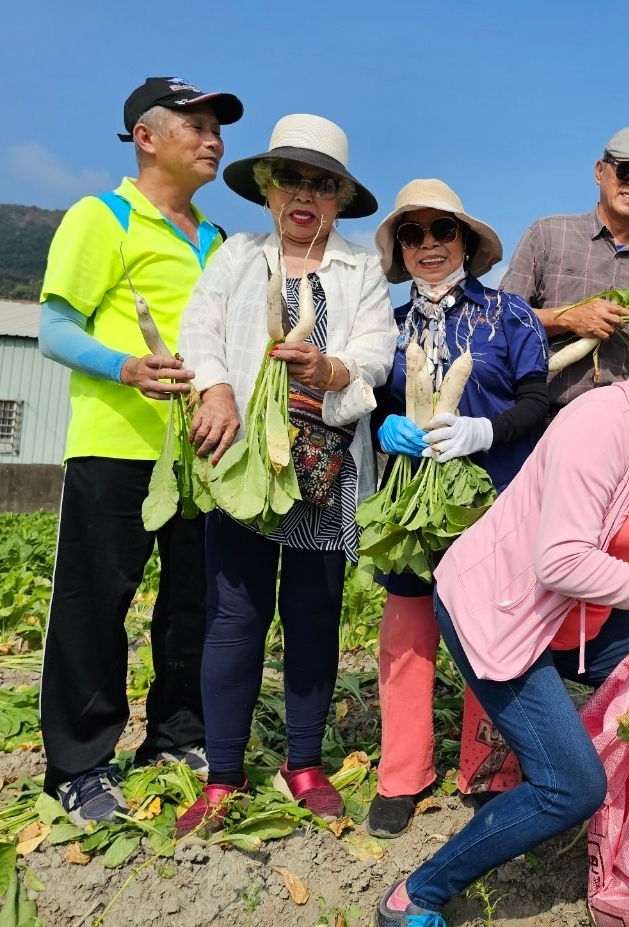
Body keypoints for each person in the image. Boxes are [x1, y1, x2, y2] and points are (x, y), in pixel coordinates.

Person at [372, 280, 629, 926]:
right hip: (500, 606)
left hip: (581, 617)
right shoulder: (602, 421)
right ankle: (415, 893)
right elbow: (560, 560)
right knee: (570, 785)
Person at [173, 114, 396, 837]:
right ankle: (225, 774)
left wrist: (330, 368)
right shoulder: (239, 257)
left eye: (323, 184)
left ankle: (303, 762)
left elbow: (375, 357)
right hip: (245, 463)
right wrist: (216, 387)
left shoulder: (360, 269)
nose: (306, 195)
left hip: (323, 471)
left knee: (311, 617)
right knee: (235, 617)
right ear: (268, 187)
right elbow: (198, 329)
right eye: (292, 179)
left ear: (339, 197)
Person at [37, 76, 243, 825]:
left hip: (200, 453)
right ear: (146, 137)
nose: (214, 137)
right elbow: (54, 327)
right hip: (115, 447)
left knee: (194, 601)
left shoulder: (217, 240)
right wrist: (124, 365)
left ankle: (175, 734)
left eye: (218, 125)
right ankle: (78, 765)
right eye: (196, 124)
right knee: (96, 605)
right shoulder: (103, 217)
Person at [364, 179, 549, 838]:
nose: (429, 244)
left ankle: (490, 769)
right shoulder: (383, 325)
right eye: (413, 234)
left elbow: (536, 403)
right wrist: (384, 425)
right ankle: (402, 773)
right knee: (407, 637)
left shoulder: (511, 316)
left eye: (442, 230)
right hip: (413, 506)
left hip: (491, 505)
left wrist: (484, 430)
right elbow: (371, 400)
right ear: (401, 250)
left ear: (466, 241)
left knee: (489, 641)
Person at [501, 127, 629, 416]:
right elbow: (499, 320)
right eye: (627, 171)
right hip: (537, 415)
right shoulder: (549, 234)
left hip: (618, 425)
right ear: (599, 171)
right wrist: (569, 318)